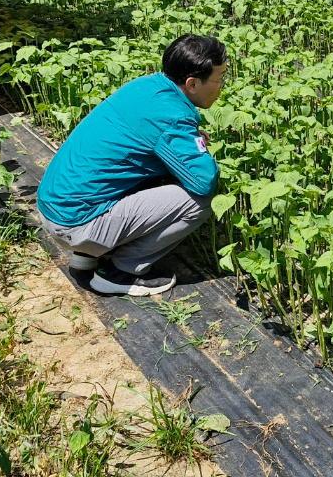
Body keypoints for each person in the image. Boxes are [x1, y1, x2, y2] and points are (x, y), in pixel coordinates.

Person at [36, 34, 227, 296]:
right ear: (192, 83)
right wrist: (197, 148)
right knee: (201, 199)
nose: (222, 86)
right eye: (219, 79)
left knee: (156, 171)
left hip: (56, 207)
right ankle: (120, 272)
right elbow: (204, 180)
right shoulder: (172, 117)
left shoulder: (148, 86)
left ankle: (88, 255)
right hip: (74, 223)